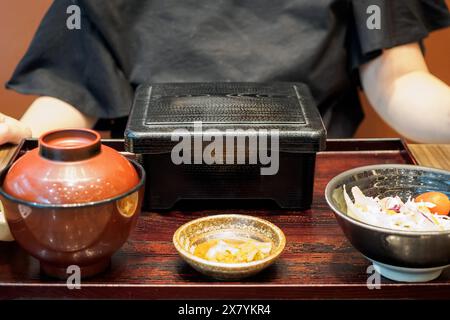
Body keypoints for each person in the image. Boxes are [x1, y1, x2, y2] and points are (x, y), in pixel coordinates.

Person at [1, 0, 450, 145]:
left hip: (309, 182)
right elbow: (75, 91)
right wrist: (21, 136)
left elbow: (400, 81)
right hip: (145, 188)